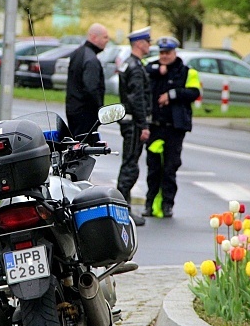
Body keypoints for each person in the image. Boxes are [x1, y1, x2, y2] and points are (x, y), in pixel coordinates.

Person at [143, 36, 201, 218]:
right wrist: (156, 70)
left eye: (167, 53)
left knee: (170, 167)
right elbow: (141, 70)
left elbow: (194, 92)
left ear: (175, 52)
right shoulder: (151, 68)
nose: (164, 56)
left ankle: (167, 204)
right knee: (153, 168)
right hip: (154, 127)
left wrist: (172, 94)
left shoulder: (186, 72)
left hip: (175, 128)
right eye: (161, 52)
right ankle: (150, 203)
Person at [116, 26, 152, 227]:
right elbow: (137, 98)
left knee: (128, 164)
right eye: (148, 42)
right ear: (139, 43)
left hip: (129, 121)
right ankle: (123, 212)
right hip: (134, 124)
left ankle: (123, 208)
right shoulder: (136, 67)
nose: (149, 45)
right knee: (130, 167)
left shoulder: (129, 64)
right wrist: (143, 124)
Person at [65, 23, 110, 137]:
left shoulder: (77, 53)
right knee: (84, 149)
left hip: (73, 109)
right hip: (85, 114)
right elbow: (92, 88)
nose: (107, 40)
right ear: (94, 37)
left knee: (74, 146)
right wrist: (100, 109)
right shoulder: (91, 59)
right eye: (105, 37)